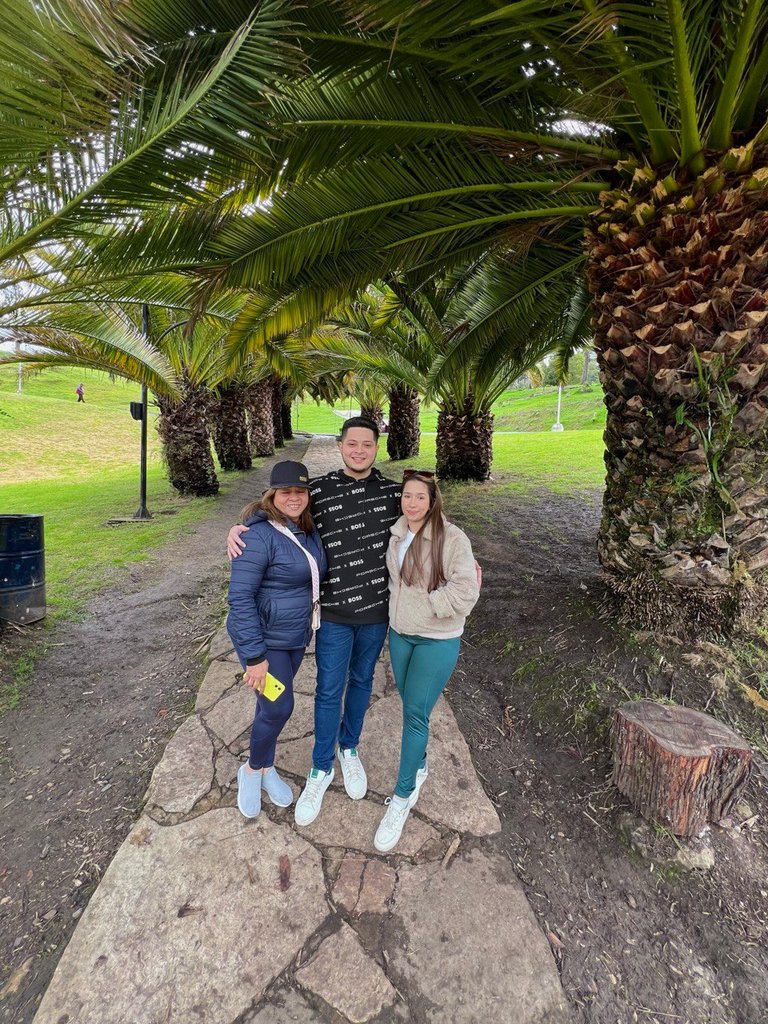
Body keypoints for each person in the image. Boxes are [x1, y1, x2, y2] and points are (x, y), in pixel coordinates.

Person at [227, 417, 401, 826]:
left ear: (377, 448)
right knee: (326, 691)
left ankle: (349, 748)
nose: (359, 451)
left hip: (376, 613)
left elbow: (427, 517)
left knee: (362, 683)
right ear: (341, 446)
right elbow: (273, 510)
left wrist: (463, 559)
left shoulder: (393, 493)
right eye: (352, 444)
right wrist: (239, 528)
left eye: (367, 444)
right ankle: (320, 766)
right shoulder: (318, 490)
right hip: (333, 617)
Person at [374, 469, 480, 852]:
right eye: (406, 496)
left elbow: (467, 589)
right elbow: (395, 582)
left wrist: (430, 606)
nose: (412, 503)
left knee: (415, 714)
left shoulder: (452, 538)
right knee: (409, 703)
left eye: (420, 497)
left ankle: (402, 796)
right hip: (401, 635)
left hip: (436, 639)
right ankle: (419, 765)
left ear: (432, 501)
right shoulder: (398, 531)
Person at [227, 460, 327, 820]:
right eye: (286, 492)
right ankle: (252, 770)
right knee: (278, 707)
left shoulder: (305, 529)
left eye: (301, 491)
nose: (294, 498)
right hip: (265, 642)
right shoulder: (256, 535)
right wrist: (254, 657)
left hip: (294, 637)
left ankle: (266, 767)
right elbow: (239, 598)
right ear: (272, 494)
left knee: (267, 706)